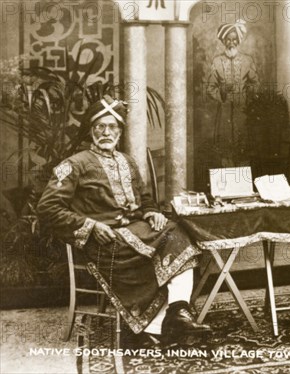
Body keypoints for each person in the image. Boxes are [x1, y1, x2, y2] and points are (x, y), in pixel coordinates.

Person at [37, 95, 211, 346]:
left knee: (180, 232)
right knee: (166, 247)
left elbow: (145, 200)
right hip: (105, 241)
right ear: (91, 130)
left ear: (119, 131)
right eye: (100, 126)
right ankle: (153, 326)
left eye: (112, 127)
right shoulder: (74, 165)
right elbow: (48, 207)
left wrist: (152, 212)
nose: (106, 132)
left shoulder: (127, 162)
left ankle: (176, 312)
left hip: (137, 233)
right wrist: (91, 226)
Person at [206, 19, 259, 163]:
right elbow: (210, 89)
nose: (231, 43)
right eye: (228, 40)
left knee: (243, 150)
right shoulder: (216, 61)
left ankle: (242, 184)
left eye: (234, 40)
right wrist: (222, 90)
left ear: (239, 41)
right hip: (224, 113)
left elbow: (255, 84)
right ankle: (228, 183)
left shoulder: (247, 60)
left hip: (242, 112)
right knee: (226, 152)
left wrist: (247, 95)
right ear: (224, 41)